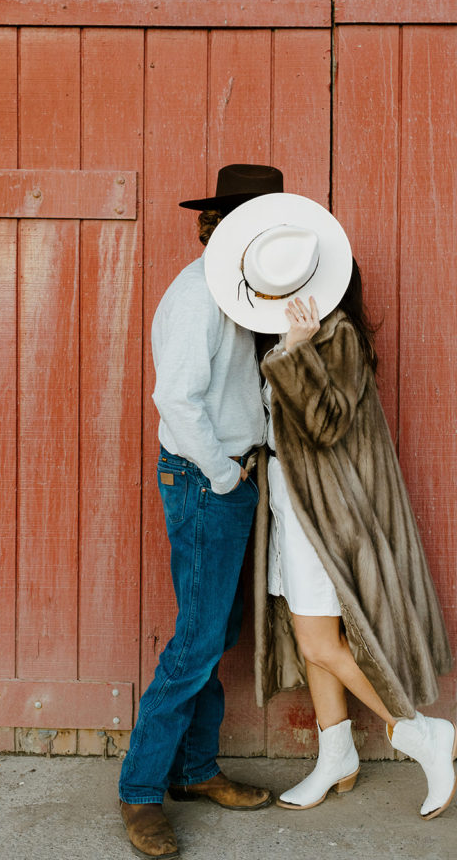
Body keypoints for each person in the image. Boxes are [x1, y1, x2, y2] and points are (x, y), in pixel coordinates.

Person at [204, 192, 457, 822]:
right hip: (293, 510)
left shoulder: (337, 334)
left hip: (330, 519)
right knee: (307, 631)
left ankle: (417, 733)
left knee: (321, 640)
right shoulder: (284, 334)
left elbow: (325, 425)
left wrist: (295, 352)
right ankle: (335, 755)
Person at [119, 164, 283, 859]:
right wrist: (221, 476)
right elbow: (176, 403)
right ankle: (141, 792)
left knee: (213, 636)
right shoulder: (196, 296)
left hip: (229, 479)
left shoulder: (241, 295)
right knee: (195, 643)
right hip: (201, 481)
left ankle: (194, 770)